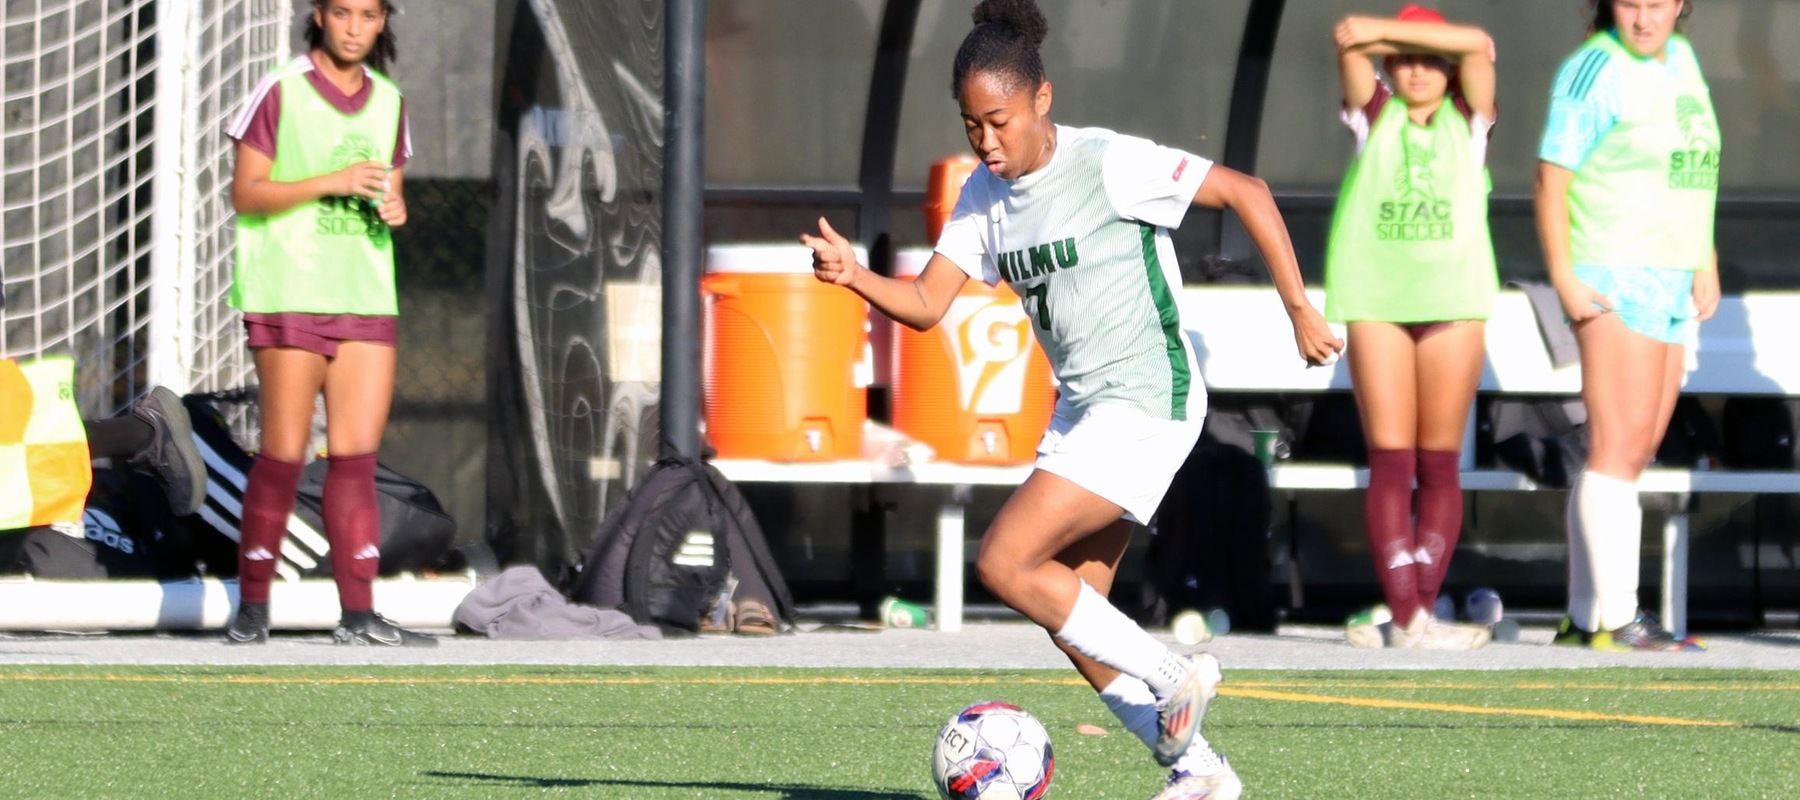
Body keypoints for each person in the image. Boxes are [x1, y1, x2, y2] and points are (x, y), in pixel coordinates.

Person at [801, 2, 1340, 797]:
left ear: (1041, 101)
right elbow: (924, 304)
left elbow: (1249, 192)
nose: (986, 142)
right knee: (1078, 615)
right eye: (971, 125)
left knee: (1005, 561)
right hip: (1085, 410)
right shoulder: (984, 195)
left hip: (1150, 395)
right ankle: (1200, 772)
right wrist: (855, 278)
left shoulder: (1108, 163)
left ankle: (1174, 674)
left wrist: (1298, 307)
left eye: (999, 121)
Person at [221, 0, 433, 647]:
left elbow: (389, 191)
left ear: (382, 23)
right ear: (317, 16)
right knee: (284, 453)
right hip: (290, 289)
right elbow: (247, 191)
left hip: (365, 293)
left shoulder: (389, 100)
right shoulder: (281, 90)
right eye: (342, 12)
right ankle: (253, 609)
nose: (353, 27)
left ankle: (359, 615)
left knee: (355, 459)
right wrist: (330, 180)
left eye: (368, 15)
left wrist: (394, 206)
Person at [1536, 0, 1715, 651]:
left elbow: (1693, 173)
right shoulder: (1594, 67)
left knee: (1633, 451)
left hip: (1670, 273)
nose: (1644, 18)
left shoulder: (1686, 60)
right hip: (1613, 269)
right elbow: (1551, 179)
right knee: (1618, 446)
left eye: (1658, 3)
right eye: (1631, 4)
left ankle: (1586, 620)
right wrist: (1564, 275)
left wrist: (1705, 257)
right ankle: (1619, 617)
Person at [1326, 5, 1498, 650]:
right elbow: (1346, 42)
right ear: (1389, 68)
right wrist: (1373, 40)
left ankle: (1418, 612)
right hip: (1377, 298)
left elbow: (1478, 46)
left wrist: (1387, 32)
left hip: (1455, 299)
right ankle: (1408, 618)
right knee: (1392, 462)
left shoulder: (1471, 119)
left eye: (1430, 59)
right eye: (1404, 59)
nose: (1418, 70)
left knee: (1440, 463)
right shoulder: (1375, 113)